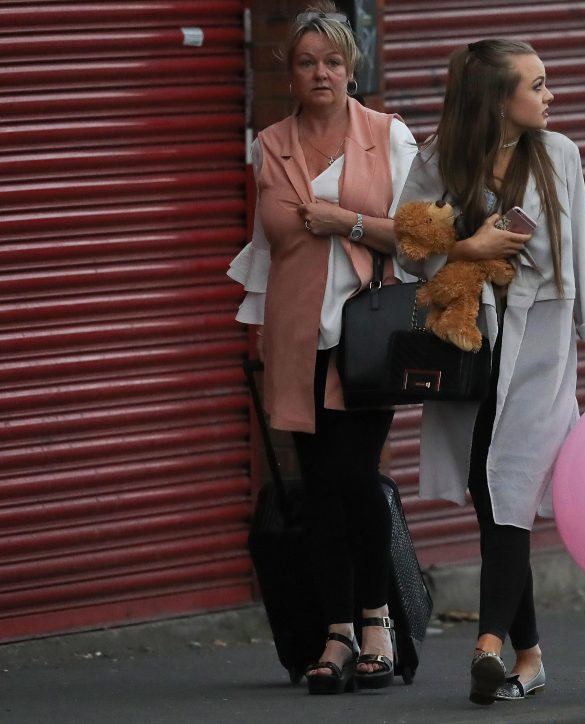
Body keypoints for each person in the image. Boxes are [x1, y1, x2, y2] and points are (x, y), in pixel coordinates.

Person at [396, 39, 585, 705]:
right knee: (492, 491)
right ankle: (528, 656)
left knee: (511, 484)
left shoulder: (559, 155)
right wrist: (465, 247)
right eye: (537, 85)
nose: (549, 95)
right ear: (500, 100)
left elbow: (584, 247)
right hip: (468, 345)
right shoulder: (438, 155)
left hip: (541, 350)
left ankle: (489, 642)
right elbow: (407, 245)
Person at [226, 3, 417, 694]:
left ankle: (377, 623)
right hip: (297, 337)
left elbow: (424, 237)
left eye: (333, 61)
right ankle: (334, 634)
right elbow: (266, 244)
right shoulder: (268, 144)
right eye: (307, 62)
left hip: (368, 341)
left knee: (355, 479)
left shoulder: (389, 138)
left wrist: (350, 222)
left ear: (352, 66)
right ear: (291, 71)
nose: (321, 73)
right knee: (320, 486)